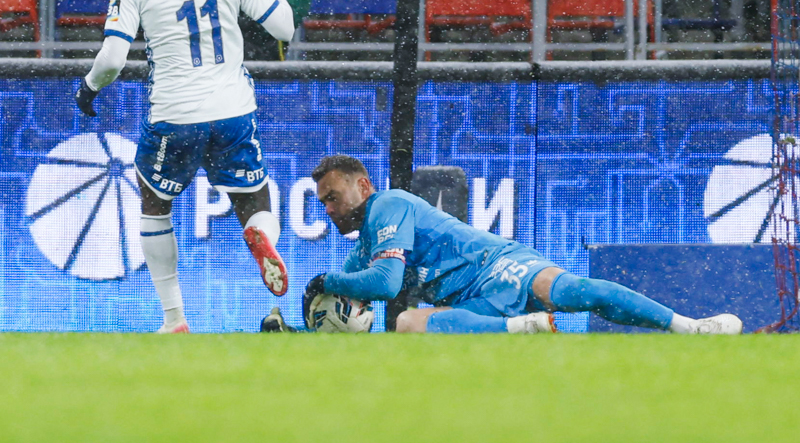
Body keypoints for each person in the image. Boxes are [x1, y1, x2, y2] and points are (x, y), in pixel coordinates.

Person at [74, 0, 295, 334]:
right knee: (254, 196)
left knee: (155, 204)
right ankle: (260, 233)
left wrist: (89, 89)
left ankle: (174, 318)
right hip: (232, 108)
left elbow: (113, 58)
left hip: (175, 112)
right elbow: (285, 28)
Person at [285, 155, 743, 335]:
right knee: (407, 323)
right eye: (322, 202)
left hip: (496, 264)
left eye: (333, 197)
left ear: (363, 186)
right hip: (471, 301)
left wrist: (326, 279)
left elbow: (384, 283)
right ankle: (521, 327)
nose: (328, 208)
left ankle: (689, 326)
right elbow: (354, 298)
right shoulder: (364, 244)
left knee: (572, 292)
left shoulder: (389, 203)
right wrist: (299, 328)